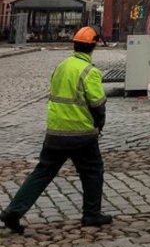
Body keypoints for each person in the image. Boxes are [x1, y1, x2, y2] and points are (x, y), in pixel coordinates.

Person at [0, 27, 112, 234]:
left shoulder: (61, 66)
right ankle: (91, 214)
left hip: (55, 132)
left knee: (42, 173)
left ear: (75, 44)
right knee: (93, 171)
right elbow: (97, 104)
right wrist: (99, 125)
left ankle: (13, 211)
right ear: (93, 46)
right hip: (81, 133)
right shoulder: (90, 71)